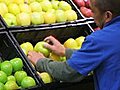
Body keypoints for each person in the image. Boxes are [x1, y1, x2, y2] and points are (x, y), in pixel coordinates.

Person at [28, 0, 120, 89]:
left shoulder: (100, 39)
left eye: (93, 11)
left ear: (107, 15)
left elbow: (69, 72)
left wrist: (40, 62)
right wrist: (65, 51)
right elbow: (103, 54)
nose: (91, 15)